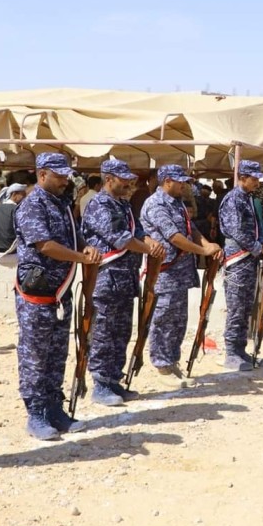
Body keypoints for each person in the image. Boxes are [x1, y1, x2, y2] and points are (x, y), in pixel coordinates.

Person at [14, 154, 95, 440]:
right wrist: (80, 258)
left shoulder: (61, 205)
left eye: (66, 176)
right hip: (38, 292)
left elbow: (72, 239)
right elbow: (45, 245)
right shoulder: (32, 205)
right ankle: (35, 413)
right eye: (59, 176)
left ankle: (53, 408)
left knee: (57, 354)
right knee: (35, 355)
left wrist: (85, 249)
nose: (65, 181)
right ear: (42, 174)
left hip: (60, 291)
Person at [81, 159, 165, 405]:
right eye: (123, 180)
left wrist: (149, 241)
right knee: (104, 333)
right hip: (106, 279)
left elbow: (136, 232)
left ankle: (114, 381)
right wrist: (148, 249)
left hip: (125, 278)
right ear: (108, 179)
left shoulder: (122, 204)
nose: (129, 184)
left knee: (121, 332)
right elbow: (121, 240)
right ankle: (101, 383)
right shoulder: (100, 204)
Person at [141, 164, 223, 377]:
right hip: (165, 272)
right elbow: (174, 237)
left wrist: (206, 244)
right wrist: (202, 250)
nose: (184, 186)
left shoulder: (176, 203)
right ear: (167, 181)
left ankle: (172, 361)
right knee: (163, 318)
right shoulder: (155, 204)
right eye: (180, 182)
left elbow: (191, 230)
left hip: (181, 271)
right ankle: (162, 365)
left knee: (178, 320)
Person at [219, 161, 263, 371]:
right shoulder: (234, 199)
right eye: (254, 179)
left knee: (245, 307)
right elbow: (237, 230)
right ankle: (231, 353)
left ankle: (240, 349)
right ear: (242, 178)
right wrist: (257, 247)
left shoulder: (248, 198)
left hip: (248, 258)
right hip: (238, 259)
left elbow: (255, 227)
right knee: (236, 307)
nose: (257, 183)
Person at [0, 183, 27, 267]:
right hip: (14, 255)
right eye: (23, 195)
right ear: (14, 194)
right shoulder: (18, 209)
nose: (25, 198)